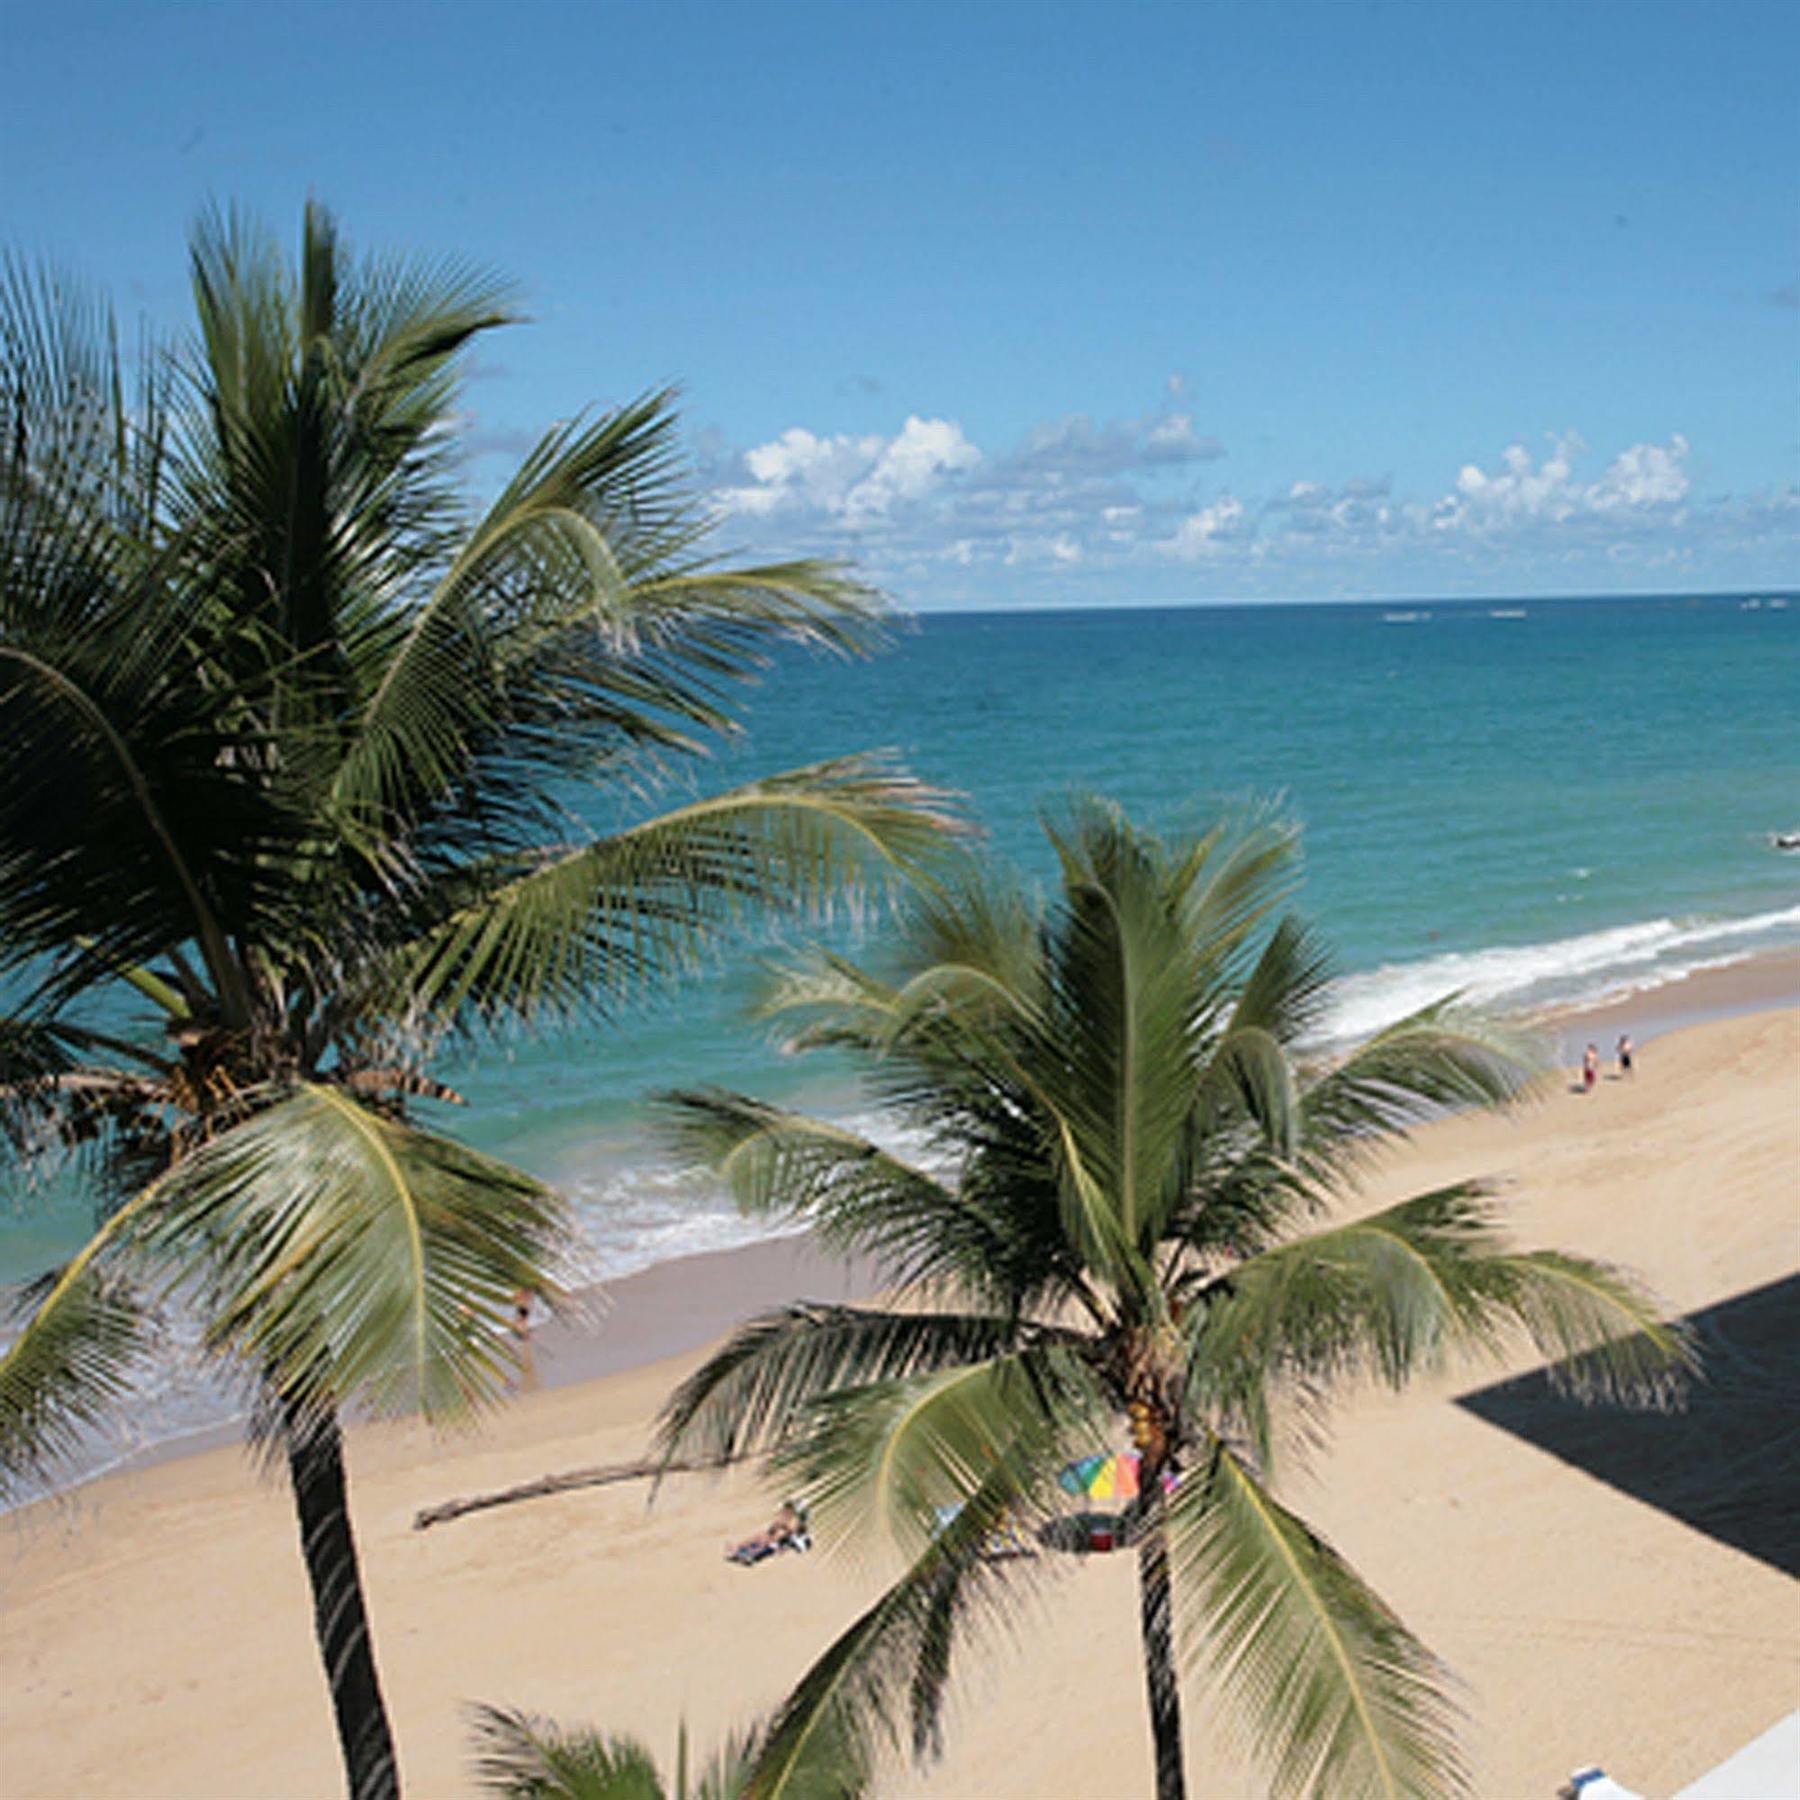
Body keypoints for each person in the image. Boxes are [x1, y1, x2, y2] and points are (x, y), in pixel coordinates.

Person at [727, 1500, 811, 1565]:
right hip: (780, 1540)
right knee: (763, 1538)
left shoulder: (795, 1525)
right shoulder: (795, 1523)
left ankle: (745, 1553)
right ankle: (741, 1551)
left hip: (780, 1541)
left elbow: (789, 1532)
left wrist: (781, 1528)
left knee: (766, 1539)